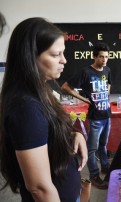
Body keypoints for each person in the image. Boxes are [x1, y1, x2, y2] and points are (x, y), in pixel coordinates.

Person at [0, 17, 88, 202]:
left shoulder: (44, 88)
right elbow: (39, 187)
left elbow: (46, 131)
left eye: (63, 53)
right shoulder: (26, 107)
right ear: (30, 57)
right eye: (56, 55)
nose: (64, 60)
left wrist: (73, 136)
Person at [61, 42, 111, 189]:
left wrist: (105, 96)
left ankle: (105, 167)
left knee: (103, 145)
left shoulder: (107, 70)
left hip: (107, 114)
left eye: (107, 57)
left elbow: (108, 83)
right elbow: (65, 87)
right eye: (101, 57)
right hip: (95, 117)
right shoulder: (86, 72)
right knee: (91, 148)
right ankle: (94, 176)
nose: (104, 60)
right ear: (94, 57)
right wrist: (85, 99)